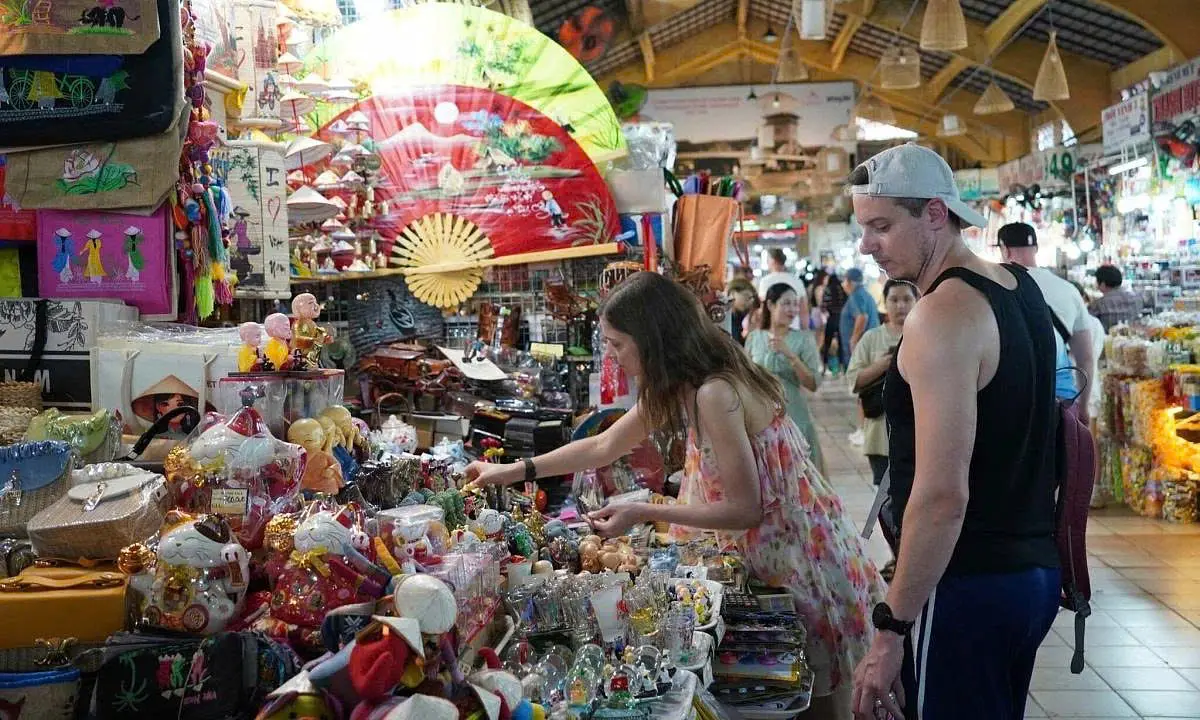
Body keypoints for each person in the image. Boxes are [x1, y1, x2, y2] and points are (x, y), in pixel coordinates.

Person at [463, 272, 883, 719]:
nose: (611, 354)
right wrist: (511, 470)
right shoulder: (685, 385)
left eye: (617, 343)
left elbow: (747, 508)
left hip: (800, 565)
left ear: (653, 339)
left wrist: (641, 509)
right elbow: (604, 445)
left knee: (815, 704)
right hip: (782, 560)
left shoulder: (714, 393)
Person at [848, 143, 1060, 720]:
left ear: (936, 215)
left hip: (967, 580)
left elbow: (942, 495)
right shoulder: (1021, 289)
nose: (867, 245)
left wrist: (892, 627)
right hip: (1032, 573)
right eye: (864, 228)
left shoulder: (941, 314)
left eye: (883, 226)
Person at [997, 222, 1095, 421]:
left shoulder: (995, 288)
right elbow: (1086, 357)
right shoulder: (1069, 290)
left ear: (1004, 249)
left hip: (1011, 403)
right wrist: (1083, 407)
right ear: (1036, 249)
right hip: (1060, 403)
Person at [745, 283, 826, 474]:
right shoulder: (754, 338)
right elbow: (745, 379)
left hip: (795, 415)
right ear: (771, 305)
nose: (793, 310)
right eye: (786, 303)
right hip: (761, 417)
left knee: (802, 479)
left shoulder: (804, 339)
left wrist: (791, 356)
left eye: (795, 304)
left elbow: (813, 383)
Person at [845, 280, 918, 486]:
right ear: (885, 303)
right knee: (886, 502)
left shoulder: (927, 336)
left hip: (919, 435)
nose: (900, 305)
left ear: (917, 300)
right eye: (894, 300)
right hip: (880, 436)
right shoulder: (871, 338)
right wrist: (883, 365)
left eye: (906, 299)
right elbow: (853, 380)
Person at [840, 267, 880, 358]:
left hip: (861, 347)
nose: (843, 285)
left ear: (849, 282)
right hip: (869, 345)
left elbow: (862, 317)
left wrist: (853, 341)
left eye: (844, 281)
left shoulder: (856, 295)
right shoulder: (865, 294)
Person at [1090, 264, 1142, 331]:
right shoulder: (1136, 299)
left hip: (1107, 339)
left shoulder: (1098, 304)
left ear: (1102, 284)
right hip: (1134, 338)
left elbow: (1086, 323)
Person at [820, 272, 848, 373]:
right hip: (841, 319)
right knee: (841, 344)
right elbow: (846, 303)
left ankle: (824, 367)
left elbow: (823, 306)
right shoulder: (841, 289)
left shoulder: (827, 290)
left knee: (827, 343)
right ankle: (842, 368)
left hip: (831, 318)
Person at [726, 278, 758, 346]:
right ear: (733, 294)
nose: (750, 302)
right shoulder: (725, 317)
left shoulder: (747, 317)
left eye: (751, 298)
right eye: (746, 296)